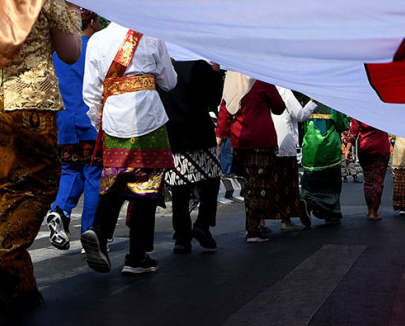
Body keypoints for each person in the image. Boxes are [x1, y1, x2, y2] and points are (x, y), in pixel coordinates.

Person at [0, 0, 82, 319]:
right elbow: (71, 52)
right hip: (32, 98)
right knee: (37, 185)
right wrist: (71, 9)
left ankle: (19, 285)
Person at [80, 23, 177, 273]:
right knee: (147, 185)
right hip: (149, 118)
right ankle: (136, 255)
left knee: (115, 178)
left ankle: (99, 231)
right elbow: (169, 82)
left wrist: (100, 120)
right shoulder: (153, 33)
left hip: (113, 119)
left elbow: (90, 93)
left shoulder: (97, 39)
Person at [45, 9, 103, 250]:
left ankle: (59, 210)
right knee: (94, 174)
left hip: (65, 121)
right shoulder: (95, 48)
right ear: (91, 21)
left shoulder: (58, 51)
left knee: (70, 170)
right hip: (89, 121)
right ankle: (91, 231)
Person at [160, 59, 225, 253]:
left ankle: (181, 236)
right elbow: (213, 100)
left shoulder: (164, 67)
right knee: (211, 182)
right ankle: (203, 223)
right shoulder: (199, 66)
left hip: (173, 135)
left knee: (179, 188)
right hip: (200, 133)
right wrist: (215, 72)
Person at [216, 72, 286, 242]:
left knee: (249, 185)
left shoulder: (230, 84)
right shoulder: (261, 80)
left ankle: (252, 227)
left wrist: (219, 140)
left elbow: (224, 115)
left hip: (239, 142)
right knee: (259, 185)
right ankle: (253, 231)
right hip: (261, 140)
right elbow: (279, 107)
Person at [270, 87, 317, 231]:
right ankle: (286, 219)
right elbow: (300, 114)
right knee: (287, 185)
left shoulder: (261, 89)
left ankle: (260, 223)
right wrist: (312, 102)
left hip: (267, 143)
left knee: (270, 185)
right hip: (285, 146)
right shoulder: (284, 92)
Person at [300, 105, 350, 224]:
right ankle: (331, 212)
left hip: (310, 150)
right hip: (329, 151)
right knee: (332, 184)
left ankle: (307, 201)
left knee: (311, 183)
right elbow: (342, 125)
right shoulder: (332, 105)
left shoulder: (308, 104)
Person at [350, 119, 391, 220]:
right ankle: (374, 212)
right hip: (381, 148)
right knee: (377, 180)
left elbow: (353, 131)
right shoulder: (382, 108)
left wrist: (347, 149)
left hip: (365, 148)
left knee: (368, 180)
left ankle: (369, 210)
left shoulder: (359, 110)